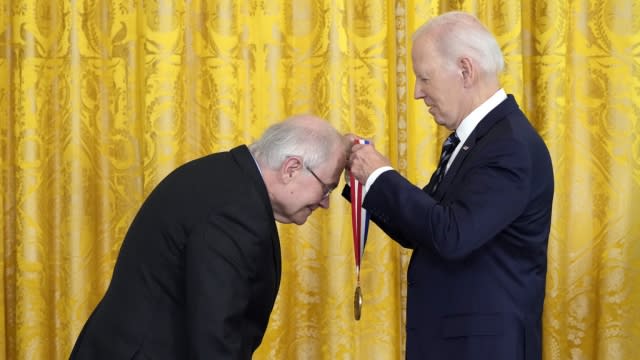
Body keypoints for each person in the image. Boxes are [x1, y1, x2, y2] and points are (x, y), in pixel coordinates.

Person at [345, 11, 554, 360]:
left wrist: (380, 175)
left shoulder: (509, 145)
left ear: (465, 71)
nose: (416, 93)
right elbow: (422, 229)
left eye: (424, 78)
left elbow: (450, 234)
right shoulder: (479, 139)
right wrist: (362, 179)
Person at [69, 114, 349, 359]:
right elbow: (215, 335)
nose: (324, 202)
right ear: (291, 169)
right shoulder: (236, 212)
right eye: (327, 188)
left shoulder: (225, 177)